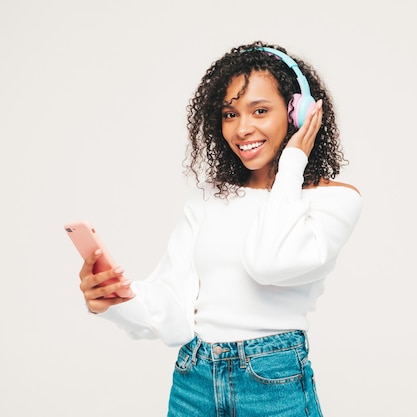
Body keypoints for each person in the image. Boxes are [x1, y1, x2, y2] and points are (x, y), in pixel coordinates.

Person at [77, 40, 362, 417]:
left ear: (297, 114)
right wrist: (113, 299)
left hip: (272, 382)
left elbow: (270, 263)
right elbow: (174, 306)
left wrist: (293, 162)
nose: (242, 129)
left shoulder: (335, 201)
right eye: (230, 114)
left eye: (260, 110)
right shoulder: (210, 196)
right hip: (194, 378)